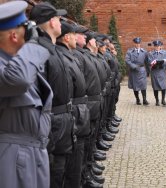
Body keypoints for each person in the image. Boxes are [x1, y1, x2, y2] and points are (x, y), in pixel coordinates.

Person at [0, 1, 52, 188]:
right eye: (27, 30)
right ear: (14, 35)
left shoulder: (17, 61)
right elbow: (18, 80)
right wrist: (33, 44)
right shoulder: (12, 66)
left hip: (32, 153)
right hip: (11, 157)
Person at [29, 2, 75, 187]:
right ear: (50, 22)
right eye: (57, 18)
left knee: (60, 169)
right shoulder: (40, 51)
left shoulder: (52, 49)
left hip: (61, 122)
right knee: (53, 172)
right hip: (51, 124)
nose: (60, 22)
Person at [56, 21, 90, 188]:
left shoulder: (71, 55)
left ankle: (83, 177)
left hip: (78, 111)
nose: (82, 37)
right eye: (78, 34)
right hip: (70, 114)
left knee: (77, 156)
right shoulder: (63, 56)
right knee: (67, 163)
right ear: (68, 37)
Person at [72, 25, 105, 188]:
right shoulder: (78, 56)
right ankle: (85, 175)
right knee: (82, 145)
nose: (87, 39)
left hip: (92, 101)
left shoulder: (84, 55)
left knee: (90, 139)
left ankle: (88, 170)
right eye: (84, 36)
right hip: (84, 104)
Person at [125, 37, 149, 105]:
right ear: (134, 43)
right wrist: (134, 66)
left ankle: (144, 99)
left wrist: (148, 71)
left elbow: (147, 62)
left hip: (142, 70)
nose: (137, 44)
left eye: (139, 43)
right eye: (136, 43)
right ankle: (137, 99)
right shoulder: (130, 51)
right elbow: (127, 60)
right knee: (135, 86)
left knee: (143, 85)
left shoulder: (144, 51)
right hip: (134, 71)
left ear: (140, 43)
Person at [147, 40, 166, 106]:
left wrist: (165, 66)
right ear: (154, 46)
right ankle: (157, 100)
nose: (157, 47)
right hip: (154, 72)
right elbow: (149, 62)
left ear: (160, 46)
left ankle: (163, 100)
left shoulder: (164, 53)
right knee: (155, 87)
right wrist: (154, 64)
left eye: (158, 46)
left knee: (163, 86)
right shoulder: (151, 53)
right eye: (156, 46)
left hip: (162, 71)